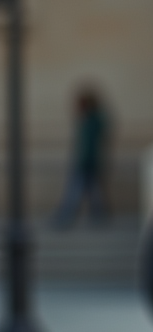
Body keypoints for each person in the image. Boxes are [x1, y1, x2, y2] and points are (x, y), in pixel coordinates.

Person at [52, 85, 110, 227]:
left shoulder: (91, 121)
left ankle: (66, 218)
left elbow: (89, 145)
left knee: (76, 192)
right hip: (87, 161)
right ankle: (98, 216)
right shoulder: (90, 120)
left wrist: (82, 161)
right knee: (92, 192)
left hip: (86, 162)